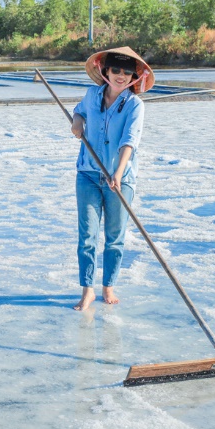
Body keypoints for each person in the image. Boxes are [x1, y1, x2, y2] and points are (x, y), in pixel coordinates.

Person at [69, 47, 155, 311]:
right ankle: (87, 290)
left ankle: (108, 285)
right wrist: (77, 121)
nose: (120, 75)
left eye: (127, 72)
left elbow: (130, 141)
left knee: (114, 236)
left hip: (121, 178)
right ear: (105, 71)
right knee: (87, 235)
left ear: (133, 77)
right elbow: (79, 110)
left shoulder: (134, 105)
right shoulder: (92, 94)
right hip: (88, 173)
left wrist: (117, 173)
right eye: (115, 69)